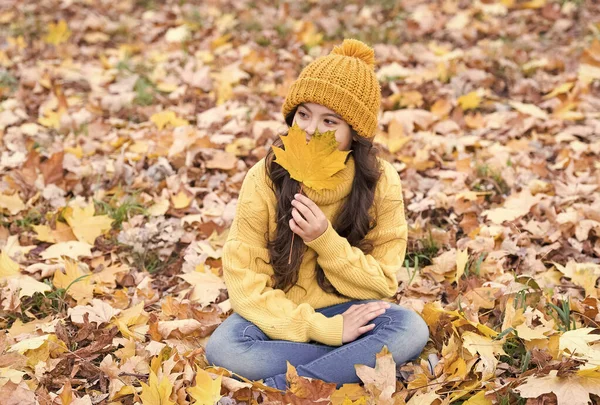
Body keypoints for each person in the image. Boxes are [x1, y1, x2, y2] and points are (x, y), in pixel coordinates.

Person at [204, 38, 430, 390]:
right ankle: (345, 369)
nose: (310, 129)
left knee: (410, 329)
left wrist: (324, 240)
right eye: (303, 114)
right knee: (225, 349)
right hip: (279, 319)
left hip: (350, 312)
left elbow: (382, 281)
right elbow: (244, 280)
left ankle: (283, 386)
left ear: (354, 133)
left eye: (330, 121)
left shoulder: (381, 181)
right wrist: (323, 331)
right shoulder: (265, 176)